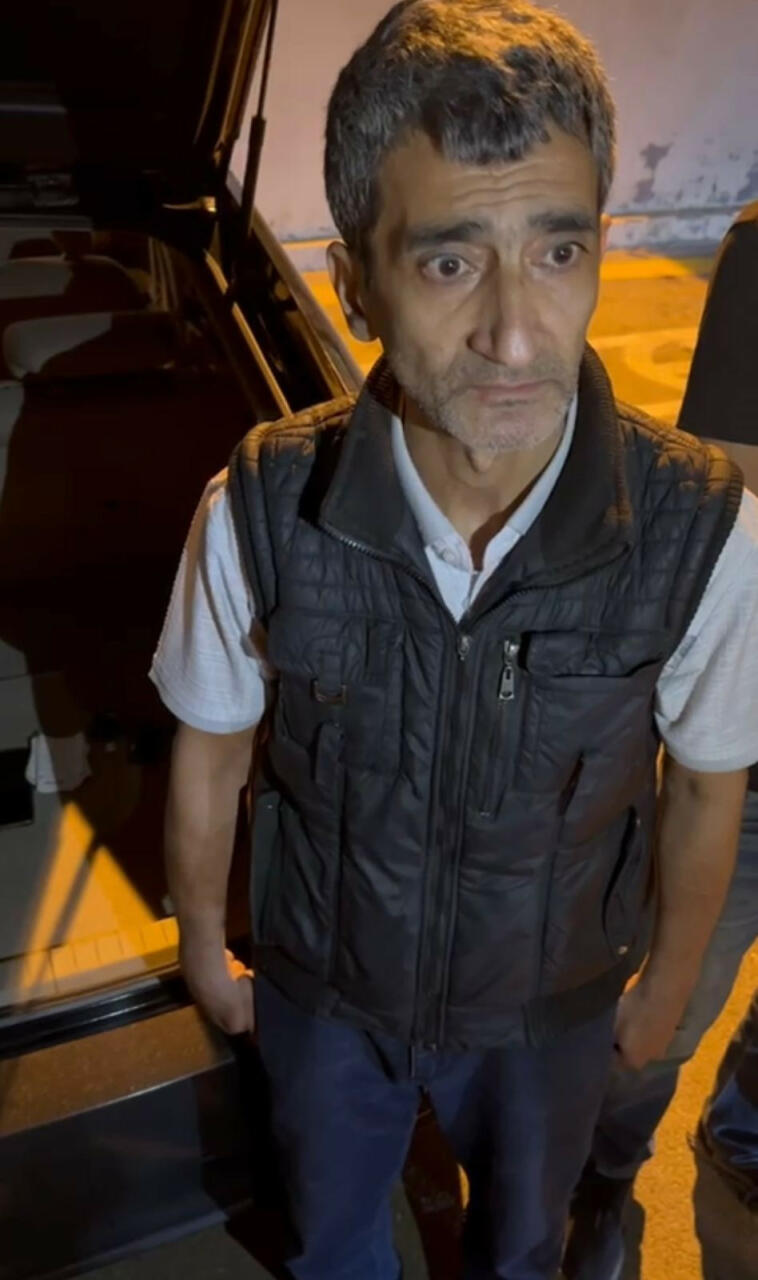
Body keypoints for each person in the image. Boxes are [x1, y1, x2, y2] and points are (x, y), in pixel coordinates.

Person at [152, 5, 758, 1278]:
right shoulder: (257, 506)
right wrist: (206, 947)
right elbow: (211, 748)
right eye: (446, 264)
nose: (515, 335)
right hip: (323, 997)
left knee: (519, 1250)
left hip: (549, 1010)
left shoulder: (702, 528)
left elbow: (707, 783)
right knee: (334, 1244)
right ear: (353, 283)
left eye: (556, 251)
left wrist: (662, 989)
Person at [564, 204, 758, 1279]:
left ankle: (738, 1152)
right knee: (657, 1018)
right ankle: (603, 1182)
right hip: (746, 764)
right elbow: (729, 514)